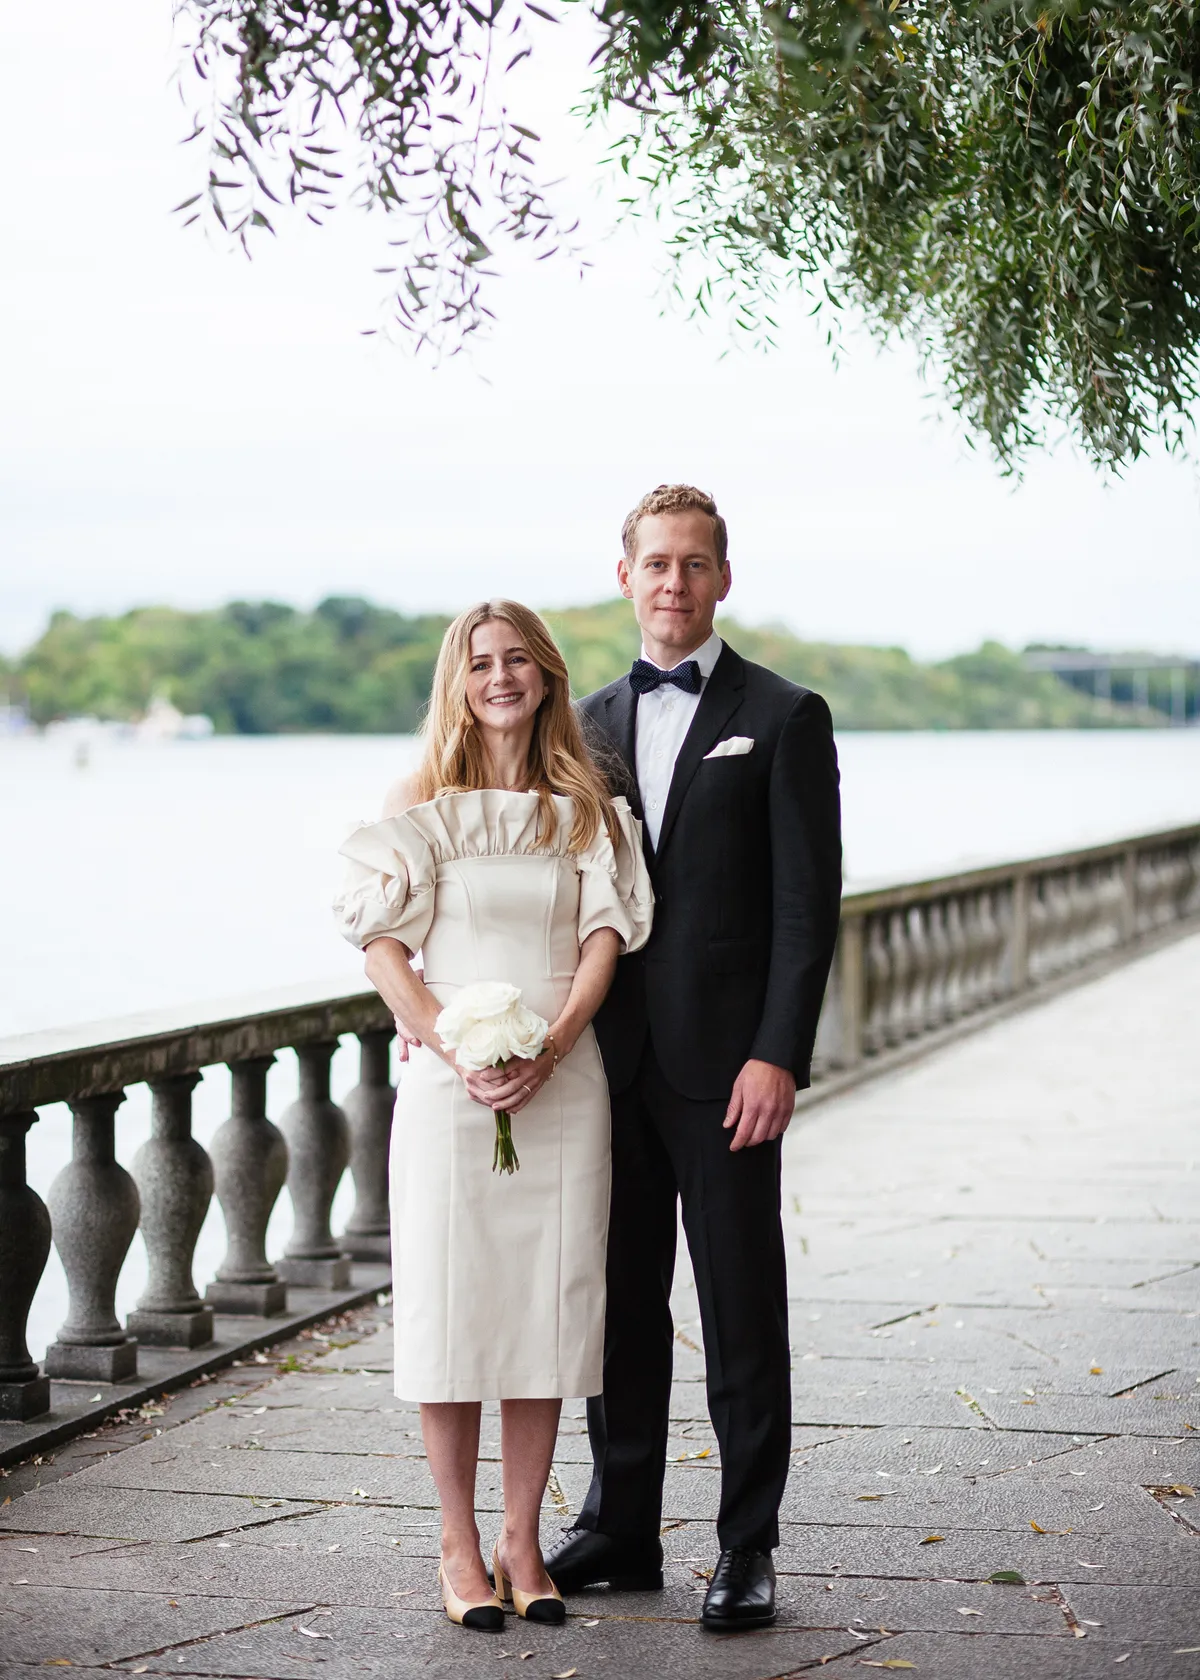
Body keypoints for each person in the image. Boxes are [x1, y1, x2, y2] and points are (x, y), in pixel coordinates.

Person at [545, 484, 843, 1631]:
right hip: (605, 1073)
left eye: (695, 565)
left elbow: (806, 910)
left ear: (724, 579)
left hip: (728, 1072)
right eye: (655, 563)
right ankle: (622, 1524)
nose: (674, 583)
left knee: (739, 1308)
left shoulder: (783, 714)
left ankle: (747, 1545)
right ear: (625, 575)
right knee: (616, 1309)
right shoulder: (586, 724)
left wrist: (780, 1056)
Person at [333, 600, 652, 1634]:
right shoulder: (420, 796)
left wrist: (551, 1043)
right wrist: (442, 1038)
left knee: (544, 1308)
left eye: (519, 659)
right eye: (481, 663)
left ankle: (524, 1540)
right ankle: (459, 1546)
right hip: (447, 1089)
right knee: (456, 1306)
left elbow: (606, 935)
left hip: (566, 1081)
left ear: (548, 675)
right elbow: (381, 939)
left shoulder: (583, 802)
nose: (501, 677)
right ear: (457, 682)